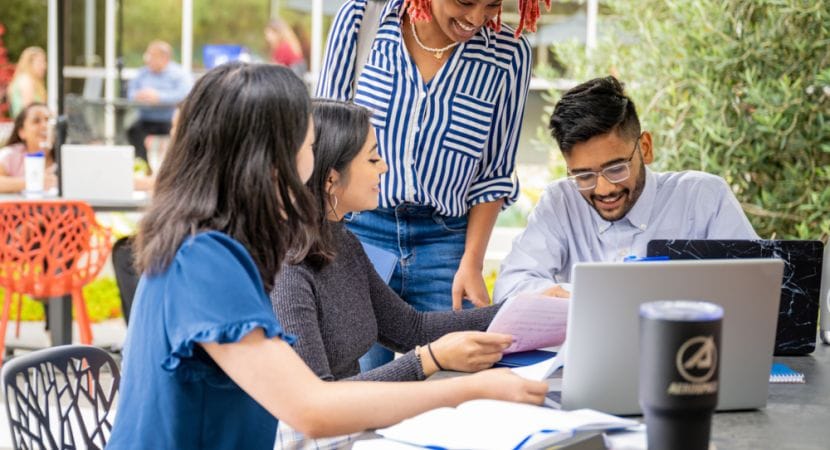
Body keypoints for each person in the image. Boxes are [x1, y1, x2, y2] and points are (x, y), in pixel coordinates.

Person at [106, 62, 546, 449]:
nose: (315, 164)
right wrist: (466, 390)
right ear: (271, 161)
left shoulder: (212, 245)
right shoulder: (205, 259)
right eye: (311, 146)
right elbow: (311, 407)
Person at [272, 97, 525, 448]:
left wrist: (523, 309)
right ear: (332, 179)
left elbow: (411, 328)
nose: (385, 168)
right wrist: (429, 360)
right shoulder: (288, 272)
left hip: (354, 431)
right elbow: (319, 402)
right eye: (373, 158)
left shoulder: (345, 243)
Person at [316, 0, 542, 370]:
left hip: (446, 245)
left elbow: (493, 173)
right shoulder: (362, 20)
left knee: (456, 387)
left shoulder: (509, 54)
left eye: (491, 5)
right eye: (464, 2)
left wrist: (472, 261)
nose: (475, 18)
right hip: (358, 234)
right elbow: (325, 142)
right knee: (359, 387)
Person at [493, 76, 759, 303]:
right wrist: (572, 296)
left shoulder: (704, 198)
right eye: (584, 175)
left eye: (616, 167)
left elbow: (755, 287)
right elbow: (509, 287)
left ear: (645, 147)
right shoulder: (560, 202)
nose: (604, 189)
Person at [126, 40, 191, 166]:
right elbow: (130, 93)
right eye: (147, 55)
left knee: (183, 135)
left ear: (164, 57)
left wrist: (159, 97)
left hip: (169, 121)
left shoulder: (179, 74)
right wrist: (139, 96)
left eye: (152, 55)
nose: (148, 59)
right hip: (146, 119)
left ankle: (174, 166)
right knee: (133, 130)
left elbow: (185, 95)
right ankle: (144, 165)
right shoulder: (143, 73)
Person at [0, 102, 57, 193]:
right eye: (36, 121)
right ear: (22, 132)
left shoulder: (65, 158)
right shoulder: (10, 156)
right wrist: (34, 182)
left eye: (48, 120)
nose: (44, 125)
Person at [8, 47, 47, 118]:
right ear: (29, 63)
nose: (44, 66)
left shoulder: (29, 80)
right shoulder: (26, 80)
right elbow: (29, 112)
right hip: (27, 127)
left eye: (44, 62)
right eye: (40, 62)